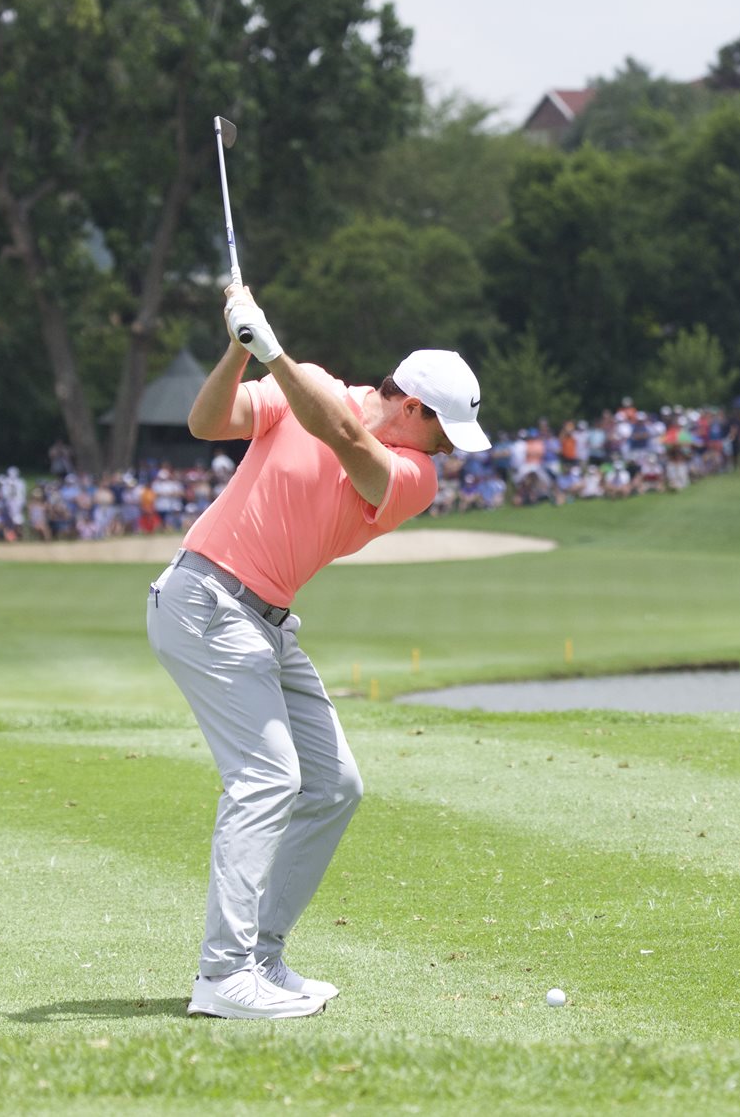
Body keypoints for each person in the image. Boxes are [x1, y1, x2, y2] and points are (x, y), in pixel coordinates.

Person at [146, 282, 487, 1021]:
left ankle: (261, 957)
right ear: (414, 407)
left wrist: (272, 349)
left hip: (267, 622)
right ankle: (223, 974)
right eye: (445, 430)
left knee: (334, 785)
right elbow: (207, 422)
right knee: (266, 778)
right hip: (206, 600)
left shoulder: (414, 477)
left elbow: (347, 440)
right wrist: (238, 351)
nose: (448, 450)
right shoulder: (311, 386)